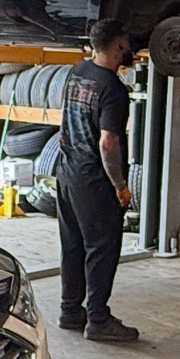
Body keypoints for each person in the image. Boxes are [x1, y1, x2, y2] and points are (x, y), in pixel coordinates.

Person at [55, 19, 139, 341]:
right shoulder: (113, 89)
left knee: (73, 245)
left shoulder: (77, 72)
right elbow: (108, 143)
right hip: (94, 180)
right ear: (118, 45)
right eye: (126, 44)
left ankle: (70, 311)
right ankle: (99, 320)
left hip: (67, 173)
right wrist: (120, 186)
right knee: (102, 249)